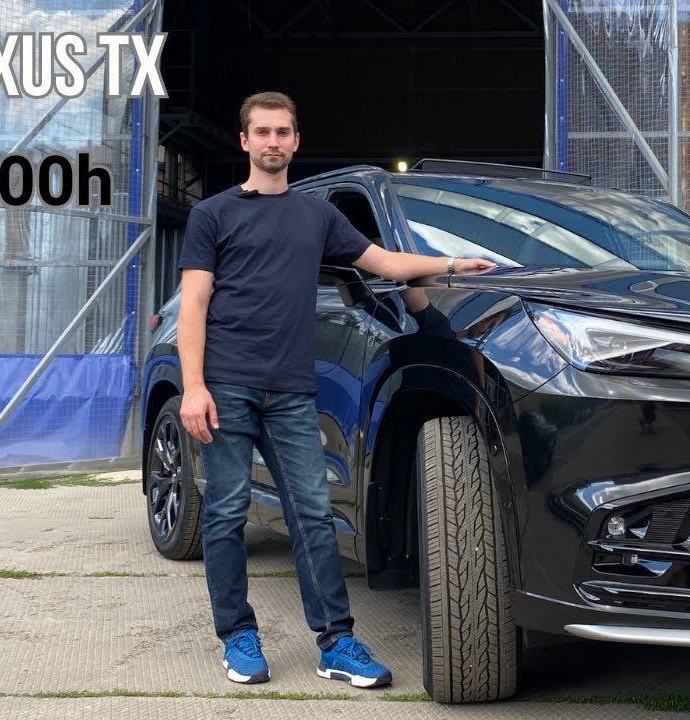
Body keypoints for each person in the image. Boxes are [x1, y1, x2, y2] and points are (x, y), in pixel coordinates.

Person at [175, 91, 496, 688]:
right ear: (245, 141)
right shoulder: (213, 214)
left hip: (292, 394)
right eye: (262, 132)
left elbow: (386, 264)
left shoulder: (316, 216)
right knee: (225, 514)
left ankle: (336, 643)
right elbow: (194, 303)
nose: (273, 142)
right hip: (227, 386)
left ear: (296, 141)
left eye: (283, 132)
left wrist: (453, 265)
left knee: (314, 517)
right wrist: (194, 387)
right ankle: (238, 635)